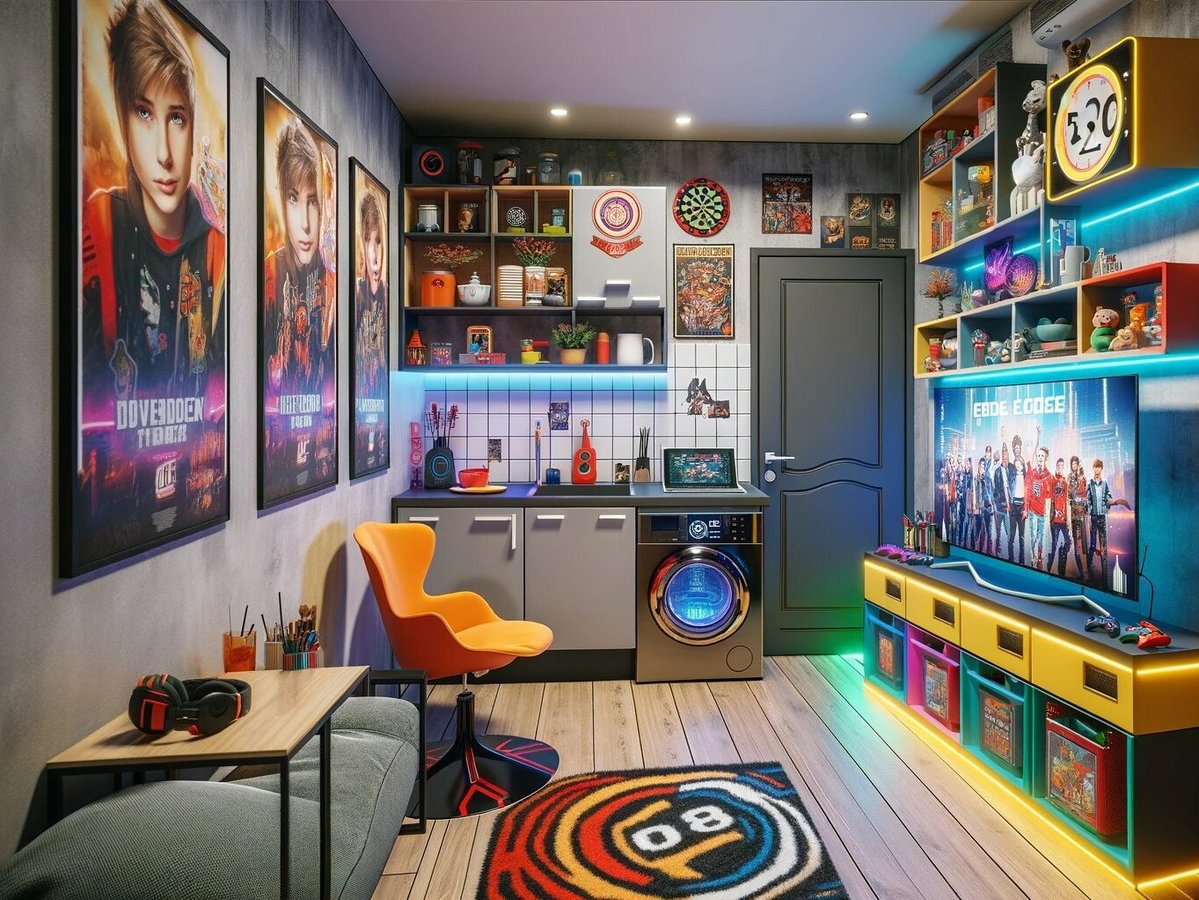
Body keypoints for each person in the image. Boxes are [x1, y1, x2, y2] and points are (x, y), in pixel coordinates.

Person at [81, 0, 225, 403]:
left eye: (176, 118)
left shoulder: (218, 251)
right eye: (144, 113)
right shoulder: (97, 228)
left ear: (194, 129)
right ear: (123, 124)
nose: (164, 153)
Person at [264, 117, 334, 398]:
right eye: (293, 198)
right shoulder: (268, 275)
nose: (305, 223)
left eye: (313, 201)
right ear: (281, 199)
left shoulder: (333, 285)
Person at [354, 188, 386, 397]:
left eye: (379, 242)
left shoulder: (386, 300)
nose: (375, 256)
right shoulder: (355, 299)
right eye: (368, 241)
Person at [1026, 444, 1054, 570]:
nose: (1040, 457)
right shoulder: (1032, 473)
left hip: (1043, 512)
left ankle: (1039, 558)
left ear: (1046, 458)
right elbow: (1028, 490)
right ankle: (1033, 557)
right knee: (1033, 536)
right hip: (1033, 510)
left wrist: (1048, 513)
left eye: (1042, 456)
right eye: (1039, 455)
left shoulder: (1049, 476)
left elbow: (1050, 496)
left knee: (1041, 537)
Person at [1087, 458, 1114, 585]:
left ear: (1101, 468)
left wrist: (1110, 501)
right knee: (1092, 547)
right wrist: (1089, 515)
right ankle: (1089, 574)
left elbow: (1109, 497)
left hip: (1102, 518)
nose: (1097, 469)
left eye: (1099, 467)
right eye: (1095, 466)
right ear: (1093, 468)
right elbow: (1088, 501)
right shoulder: (1090, 484)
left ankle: (1105, 579)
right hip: (1093, 518)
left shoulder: (1105, 484)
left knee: (1104, 548)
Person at [1046, 457, 1071, 576]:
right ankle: (1048, 569)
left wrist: (1068, 518)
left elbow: (1067, 501)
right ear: (1056, 467)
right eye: (1058, 466)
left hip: (1063, 519)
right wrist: (1049, 517)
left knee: (1068, 542)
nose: (1060, 468)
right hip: (1054, 519)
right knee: (1054, 544)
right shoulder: (1053, 480)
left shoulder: (1065, 483)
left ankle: (1062, 566)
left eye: (1062, 466)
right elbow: (1049, 498)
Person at [1066, 455, 1090, 582]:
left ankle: (1087, 573)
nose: (1074, 465)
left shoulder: (1083, 478)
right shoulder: (1069, 477)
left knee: (1083, 544)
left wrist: (1085, 511)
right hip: (1073, 514)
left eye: (1076, 463)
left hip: (1081, 515)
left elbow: (1085, 496)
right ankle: (1081, 572)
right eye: (1073, 463)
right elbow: (1069, 495)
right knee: (1076, 544)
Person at [991, 443, 1013, 560]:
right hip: (999, 507)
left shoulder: (1012, 469)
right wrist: (997, 502)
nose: (1005, 458)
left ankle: (1010, 555)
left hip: (1009, 508)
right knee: (998, 531)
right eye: (1003, 455)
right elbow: (995, 489)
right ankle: (997, 553)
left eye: (1006, 455)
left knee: (1009, 533)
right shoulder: (997, 471)